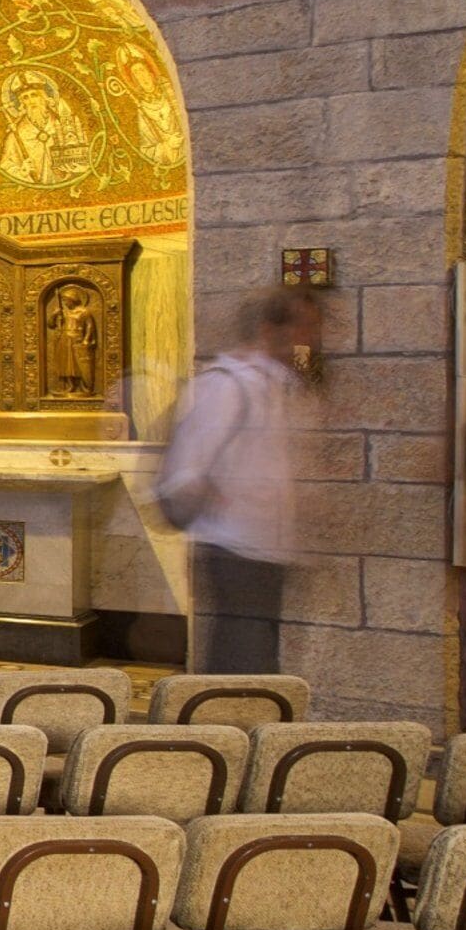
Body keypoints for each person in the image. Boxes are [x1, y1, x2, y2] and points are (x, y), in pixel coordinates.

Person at [156, 286, 321, 674]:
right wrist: (230, 498)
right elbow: (186, 470)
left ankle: (250, 728)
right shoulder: (226, 385)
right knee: (241, 661)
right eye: (304, 327)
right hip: (234, 545)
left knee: (258, 661)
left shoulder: (280, 387)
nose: (311, 338)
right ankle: (227, 731)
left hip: (267, 544)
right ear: (269, 329)